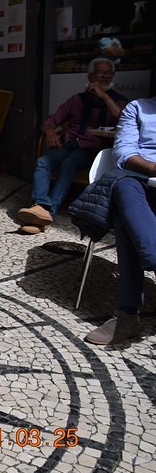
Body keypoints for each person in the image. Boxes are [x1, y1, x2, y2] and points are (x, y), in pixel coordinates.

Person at [17, 57, 127, 233]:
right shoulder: (77, 100)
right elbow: (51, 121)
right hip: (68, 144)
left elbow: (123, 119)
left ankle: (48, 213)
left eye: (109, 73)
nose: (105, 76)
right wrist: (50, 132)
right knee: (43, 162)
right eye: (101, 72)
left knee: (69, 164)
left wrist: (104, 96)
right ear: (90, 75)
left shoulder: (118, 100)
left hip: (91, 148)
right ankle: (40, 205)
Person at [82, 96, 156, 345]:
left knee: (125, 217)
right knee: (123, 185)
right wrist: (153, 168)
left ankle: (127, 315)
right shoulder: (138, 108)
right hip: (141, 184)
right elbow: (124, 153)